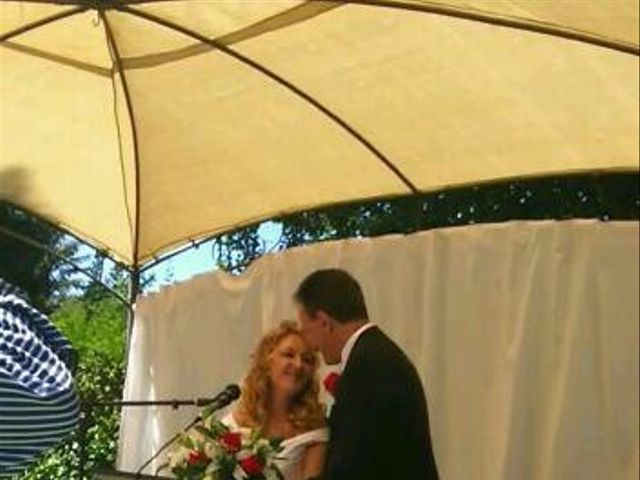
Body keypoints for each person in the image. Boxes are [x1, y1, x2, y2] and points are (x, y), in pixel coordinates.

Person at [295, 268, 440, 480]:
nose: (311, 345)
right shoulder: (376, 354)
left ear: (324, 322)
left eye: (306, 330)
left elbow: (353, 466)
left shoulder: (368, 365)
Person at [223, 321, 327, 480]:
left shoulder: (314, 432)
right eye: (289, 355)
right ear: (267, 360)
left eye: (307, 360)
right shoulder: (232, 423)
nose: (298, 365)